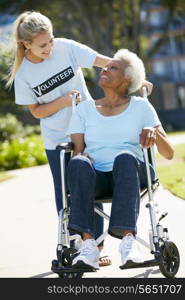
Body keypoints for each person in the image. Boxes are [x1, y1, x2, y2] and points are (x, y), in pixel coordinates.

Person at [7, 11, 153, 266]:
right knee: (67, 194)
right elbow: (37, 111)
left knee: (92, 182)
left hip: (89, 130)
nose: (49, 48)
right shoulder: (24, 74)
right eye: (42, 45)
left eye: (51, 40)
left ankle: (98, 246)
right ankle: (76, 245)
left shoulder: (67, 48)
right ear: (26, 44)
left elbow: (107, 63)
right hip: (56, 139)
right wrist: (63, 101)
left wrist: (138, 78)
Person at [67, 48, 174, 270]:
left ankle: (128, 242)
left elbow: (169, 153)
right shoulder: (84, 110)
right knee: (77, 162)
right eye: (106, 66)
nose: (104, 68)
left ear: (127, 78)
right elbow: (77, 151)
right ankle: (88, 247)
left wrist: (153, 133)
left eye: (113, 67)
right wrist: (80, 158)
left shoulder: (141, 106)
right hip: (98, 178)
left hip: (132, 173)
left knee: (124, 157)